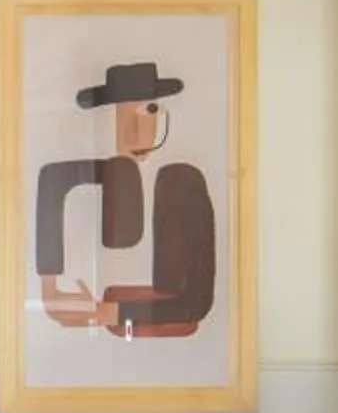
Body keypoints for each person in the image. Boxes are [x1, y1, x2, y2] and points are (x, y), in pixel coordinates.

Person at [35, 60, 215, 339]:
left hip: (167, 326)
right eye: (121, 116)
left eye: (148, 112)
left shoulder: (181, 181)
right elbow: (51, 181)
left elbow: (197, 300)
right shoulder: (99, 172)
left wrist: (110, 313)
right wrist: (51, 290)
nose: (134, 130)